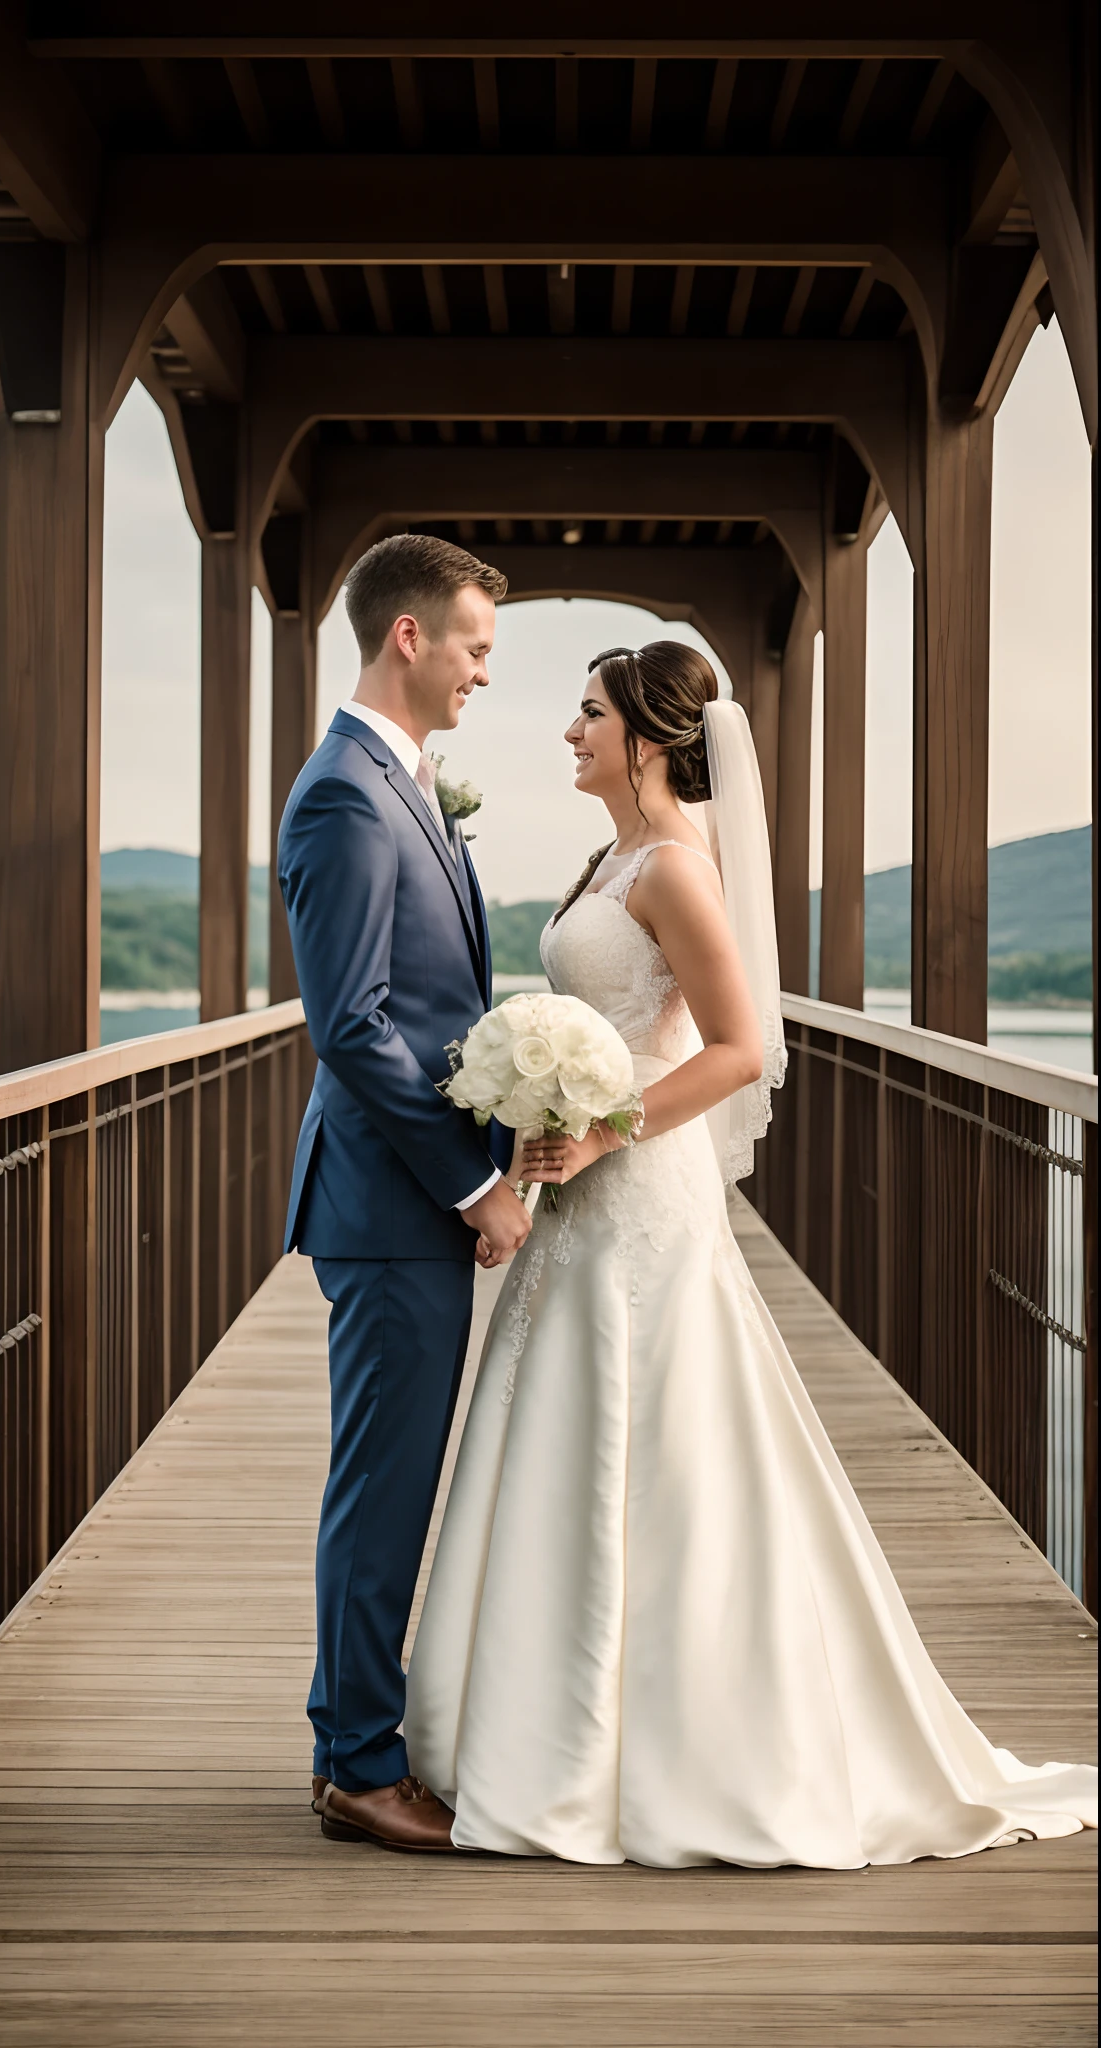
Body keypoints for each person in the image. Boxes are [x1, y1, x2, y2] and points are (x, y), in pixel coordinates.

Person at [404, 639, 1097, 1868]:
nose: (570, 732)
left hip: (637, 1188)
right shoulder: (605, 856)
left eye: (588, 714)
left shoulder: (672, 865)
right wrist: (537, 1105)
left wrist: (602, 1127)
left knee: (670, 1442)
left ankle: (687, 1747)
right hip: (581, 1186)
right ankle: (542, 1728)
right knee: (564, 1429)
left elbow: (737, 1045)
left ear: (650, 740)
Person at [277, 533, 532, 1852]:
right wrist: (477, 1181)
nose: (488, 671)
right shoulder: (343, 797)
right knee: (382, 1485)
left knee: (393, 1477)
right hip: (387, 1205)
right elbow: (357, 1026)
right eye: (478, 646)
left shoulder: (404, 784)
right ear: (411, 638)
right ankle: (358, 1766)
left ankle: (354, 1735)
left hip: (404, 1199)